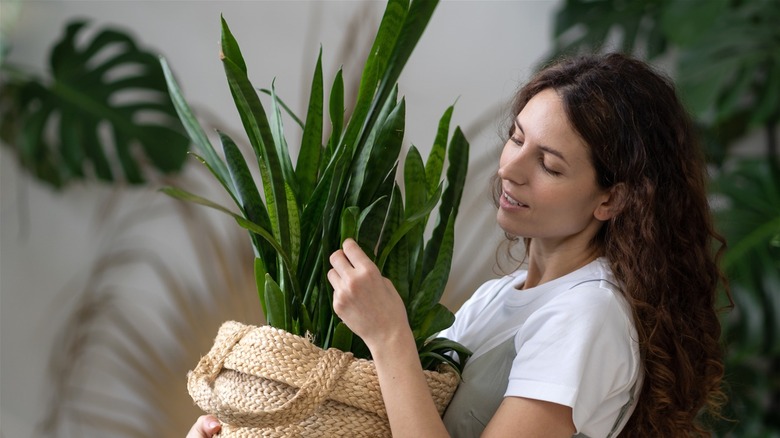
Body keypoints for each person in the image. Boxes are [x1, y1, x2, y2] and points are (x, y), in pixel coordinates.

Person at [188, 53, 729, 437]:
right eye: (517, 137)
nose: (510, 168)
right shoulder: (500, 297)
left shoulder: (586, 315)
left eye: (549, 164)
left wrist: (389, 335)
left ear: (610, 201)